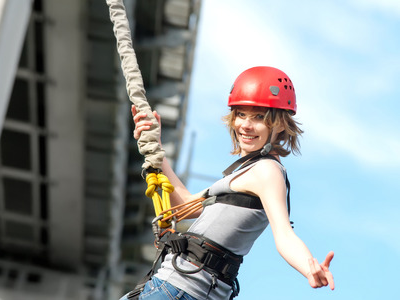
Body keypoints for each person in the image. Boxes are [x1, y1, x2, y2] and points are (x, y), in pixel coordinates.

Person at [122, 66, 334, 300]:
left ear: (281, 124)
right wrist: (157, 150)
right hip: (184, 289)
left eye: (259, 117)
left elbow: (284, 234)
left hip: (179, 288)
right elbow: (183, 207)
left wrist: (309, 266)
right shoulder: (246, 173)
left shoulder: (267, 171)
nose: (246, 125)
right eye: (241, 114)